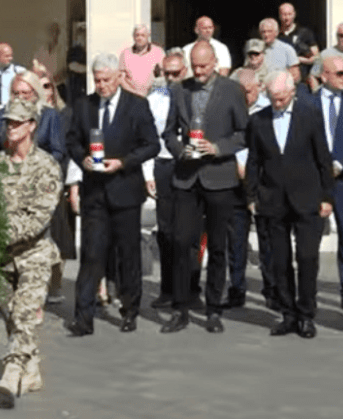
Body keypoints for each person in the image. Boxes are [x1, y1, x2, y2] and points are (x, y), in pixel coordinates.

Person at [65, 53, 158, 336]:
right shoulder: (84, 106)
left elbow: (151, 145)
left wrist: (124, 162)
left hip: (125, 191)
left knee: (127, 254)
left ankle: (130, 309)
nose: (102, 85)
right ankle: (83, 316)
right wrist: (82, 159)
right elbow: (72, 139)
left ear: (118, 76)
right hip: (95, 193)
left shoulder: (137, 106)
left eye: (106, 79)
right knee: (92, 254)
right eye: (97, 80)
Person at [160, 41, 248, 334]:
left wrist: (218, 147)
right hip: (187, 177)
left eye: (203, 66)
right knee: (182, 242)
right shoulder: (179, 90)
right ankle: (181, 307)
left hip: (219, 177)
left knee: (219, 246)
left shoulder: (232, 90)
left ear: (214, 62)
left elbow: (244, 133)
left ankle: (213, 309)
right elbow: (169, 132)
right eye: (194, 66)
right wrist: (179, 149)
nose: (198, 72)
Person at [246, 71, 333, 339]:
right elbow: (253, 162)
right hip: (273, 201)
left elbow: (323, 158)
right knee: (279, 262)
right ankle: (288, 314)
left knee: (307, 258)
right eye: (273, 99)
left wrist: (328, 197)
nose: (278, 103)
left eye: (282, 98)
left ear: (292, 92)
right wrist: (250, 197)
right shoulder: (258, 120)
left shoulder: (309, 114)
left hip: (307, 199)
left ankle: (306, 314)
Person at [0, 98, 62, 409]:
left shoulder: (46, 165)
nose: (11, 127)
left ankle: (11, 372)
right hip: (2, 257)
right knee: (11, 314)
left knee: (24, 313)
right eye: (8, 122)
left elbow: (38, 217)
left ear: (32, 125)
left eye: (18, 122)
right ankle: (31, 367)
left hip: (34, 254)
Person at [301, 57, 343, 312]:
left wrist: (341, 164)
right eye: (339, 73)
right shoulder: (307, 102)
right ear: (324, 75)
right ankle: (308, 293)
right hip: (315, 180)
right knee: (311, 238)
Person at [143, 53, 186, 309]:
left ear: (185, 70)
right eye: (166, 73)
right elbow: (148, 139)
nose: (170, 78)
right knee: (166, 232)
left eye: (175, 73)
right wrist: (148, 174)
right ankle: (168, 289)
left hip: (189, 166)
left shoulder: (196, 97)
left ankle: (190, 289)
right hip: (163, 165)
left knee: (189, 233)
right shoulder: (154, 100)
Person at [228, 67, 272, 309]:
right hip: (235, 181)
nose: (246, 96)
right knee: (235, 241)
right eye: (241, 92)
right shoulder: (229, 108)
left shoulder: (268, 109)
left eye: (250, 91)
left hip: (263, 183)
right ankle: (236, 290)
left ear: (259, 88)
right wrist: (236, 164)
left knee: (267, 239)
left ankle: (272, 290)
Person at [0, 72, 64, 163]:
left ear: (35, 93)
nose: (20, 97)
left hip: (39, 170)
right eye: (16, 93)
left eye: (25, 92)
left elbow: (58, 152)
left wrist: (38, 166)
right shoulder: (2, 114)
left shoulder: (49, 115)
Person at [118, 24, 165, 97]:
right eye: (137, 35)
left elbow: (164, 75)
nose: (139, 38)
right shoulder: (125, 54)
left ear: (148, 36)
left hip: (153, 96)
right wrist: (135, 93)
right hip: (131, 96)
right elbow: (121, 78)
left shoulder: (158, 52)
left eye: (143, 35)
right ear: (133, 37)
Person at [277, 2, 320, 78]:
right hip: (282, 79)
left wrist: (300, 60)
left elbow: (317, 57)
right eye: (284, 14)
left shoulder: (305, 33)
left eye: (289, 14)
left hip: (302, 79)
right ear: (279, 16)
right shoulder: (276, 35)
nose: (287, 18)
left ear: (294, 14)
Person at [259, 18, 301, 84]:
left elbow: (296, 77)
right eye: (263, 32)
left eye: (269, 31)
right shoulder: (256, 50)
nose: (266, 35)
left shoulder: (287, 49)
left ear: (276, 32)